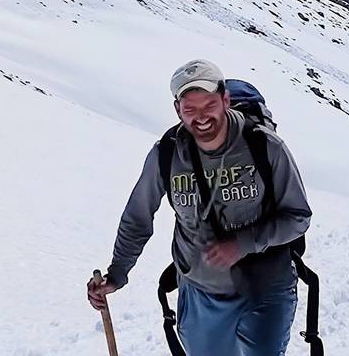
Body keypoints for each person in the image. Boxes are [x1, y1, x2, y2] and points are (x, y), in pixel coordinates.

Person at [87, 59, 312, 356]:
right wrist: (117, 273)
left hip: (266, 286)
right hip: (200, 289)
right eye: (190, 109)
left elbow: (298, 217)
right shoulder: (167, 153)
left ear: (225, 100)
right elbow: (138, 217)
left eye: (208, 105)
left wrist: (243, 244)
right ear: (178, 109)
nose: (201, 117)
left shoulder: (265, 147)